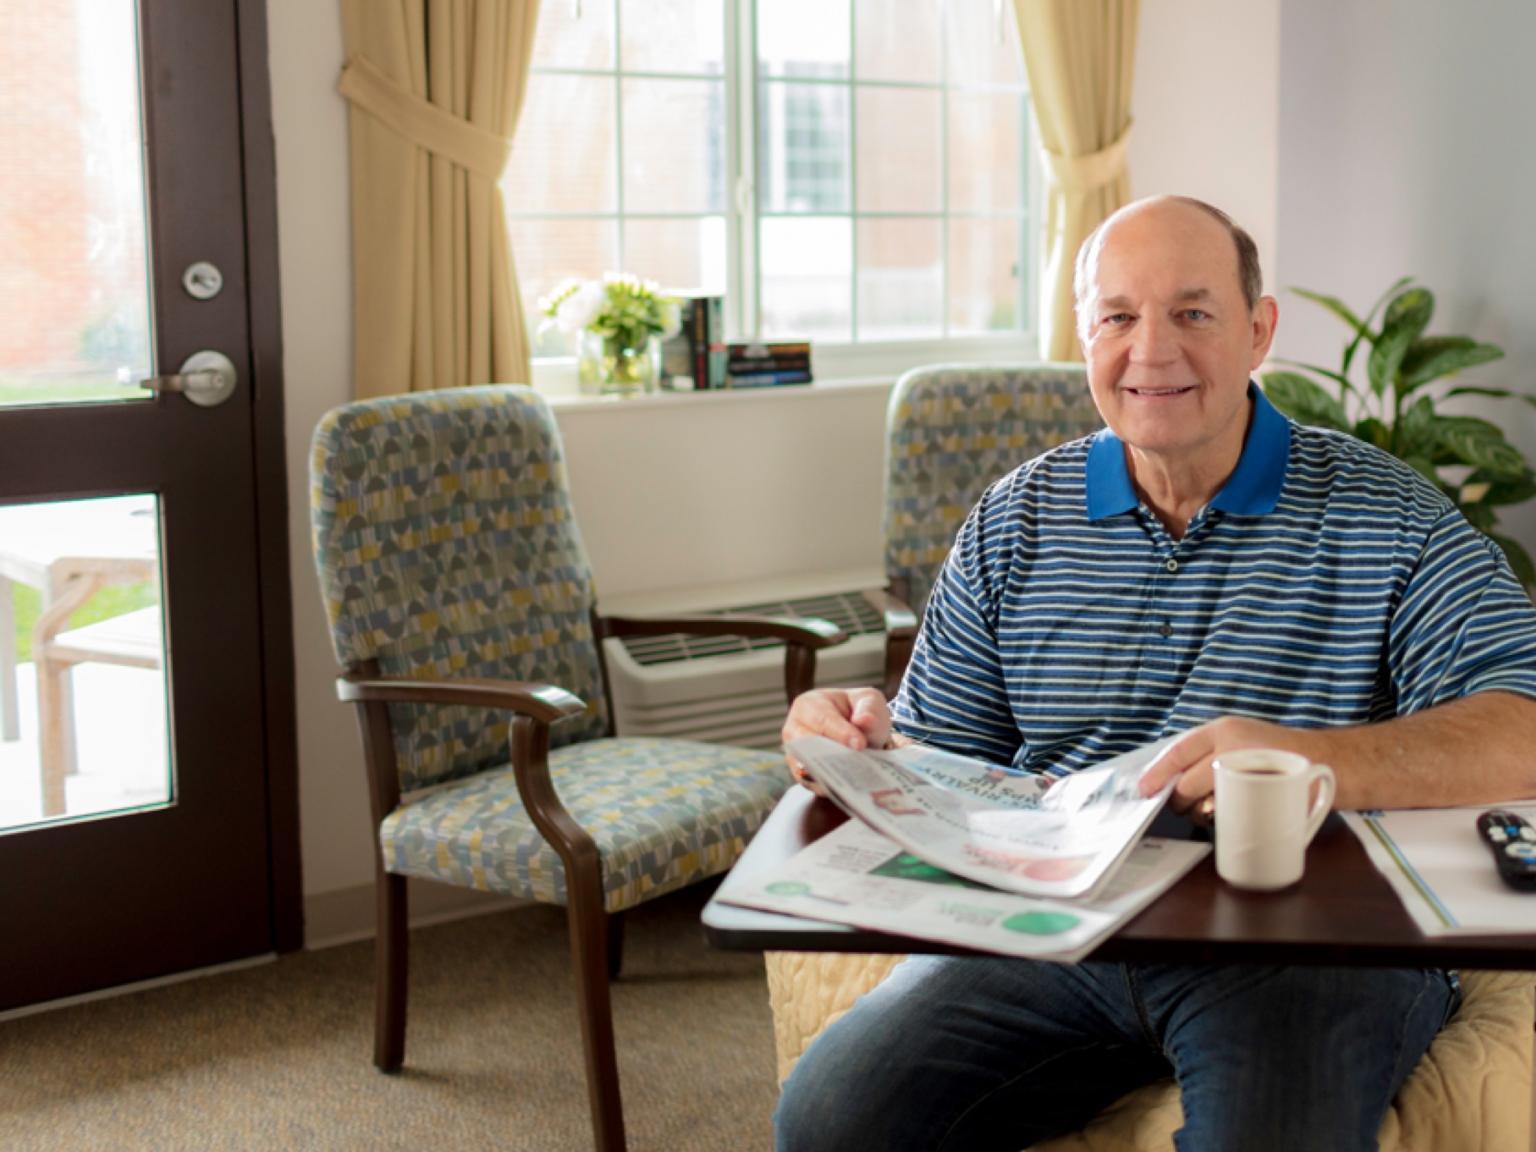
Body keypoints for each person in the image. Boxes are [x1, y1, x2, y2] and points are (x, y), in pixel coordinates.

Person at [774, 195, 1536, 1152]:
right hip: (1056, 927)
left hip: (1305, 942)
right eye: (1119, 316)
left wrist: (1316, 760)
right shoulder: (1015, 519)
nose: (1152, 351)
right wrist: (847, 744)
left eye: (1193, 312)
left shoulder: (1390, 515)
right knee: (831, 1121)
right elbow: (940, 758)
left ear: (1259, 331)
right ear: (1084, 333)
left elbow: (1524, 725)